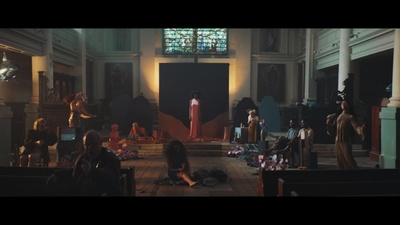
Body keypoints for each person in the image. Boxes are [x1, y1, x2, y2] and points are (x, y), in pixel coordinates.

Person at [47, 130, 123, 196]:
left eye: (93, 144)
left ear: (100, 144)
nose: (90, 148)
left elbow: (110, 177)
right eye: (87, 145)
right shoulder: (84, 156)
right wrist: (58, 174)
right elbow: (76, 171)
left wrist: (92, 170)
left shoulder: (110, 158)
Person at [326, 100, 366, 170]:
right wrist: (328, 124)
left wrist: (361, 130)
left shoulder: (350, 117)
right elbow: (333, 128)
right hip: (337, 140)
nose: (343, 104)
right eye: (342, 103)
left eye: (345, 103)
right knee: (339, 158)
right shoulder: (338, 117)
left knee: (348, 157)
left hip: (346, 140)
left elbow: (356, 127)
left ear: (348, 105)